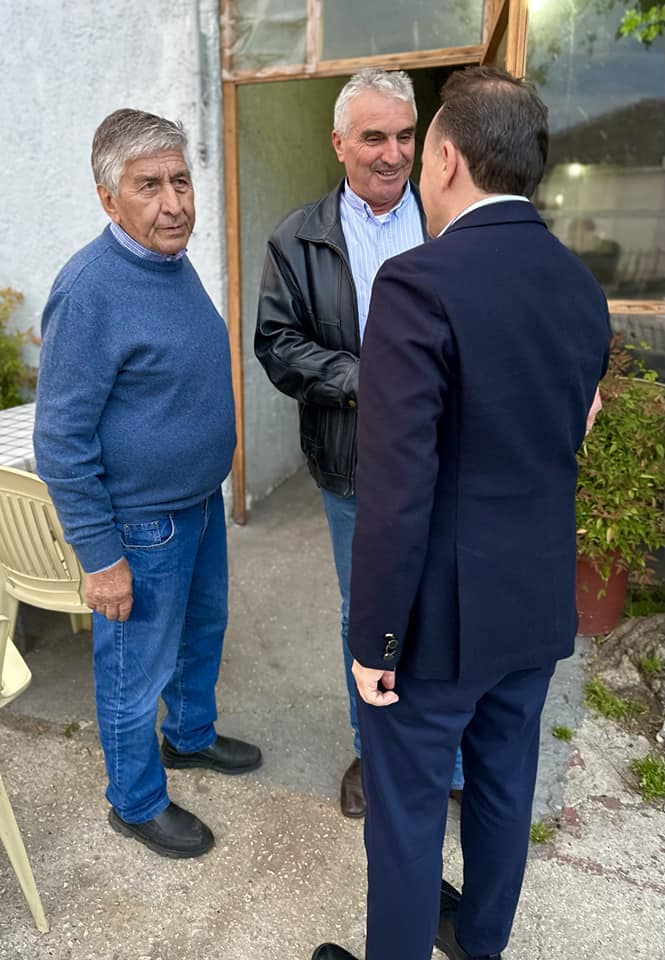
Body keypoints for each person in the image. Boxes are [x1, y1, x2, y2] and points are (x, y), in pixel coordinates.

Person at [312, 66, 610, 960]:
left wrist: (374, 641)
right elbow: (571, 426)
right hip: (534, 602)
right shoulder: (578, 285)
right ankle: (480, 943)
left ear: (444, 159)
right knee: (502, 787)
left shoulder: (416, 283)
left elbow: (395, 486)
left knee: (405, 812)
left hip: (439, 621)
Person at [34, 108, 261, 860]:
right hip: (141, 525)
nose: (174, 204)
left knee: (201, 635)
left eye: (181, 181)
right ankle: (133, 801)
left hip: (198, 504)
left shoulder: (170, 262)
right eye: (149, 186)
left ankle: (189, 737)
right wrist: (101, 559)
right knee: (134, 670)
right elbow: (60, 440)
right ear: (108, 199)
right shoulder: (90, 290)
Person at [255, 68, 464, 818]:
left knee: (447, 605)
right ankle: (374, 755)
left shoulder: (449, 223)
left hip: (449, 460)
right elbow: (277, 344)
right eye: (374, 136)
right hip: (353, 463)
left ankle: (449, 762)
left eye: (406, 135)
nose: (393, 153)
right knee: (367, 614)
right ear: (338, 142)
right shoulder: (298, 237)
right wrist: (364, 379)